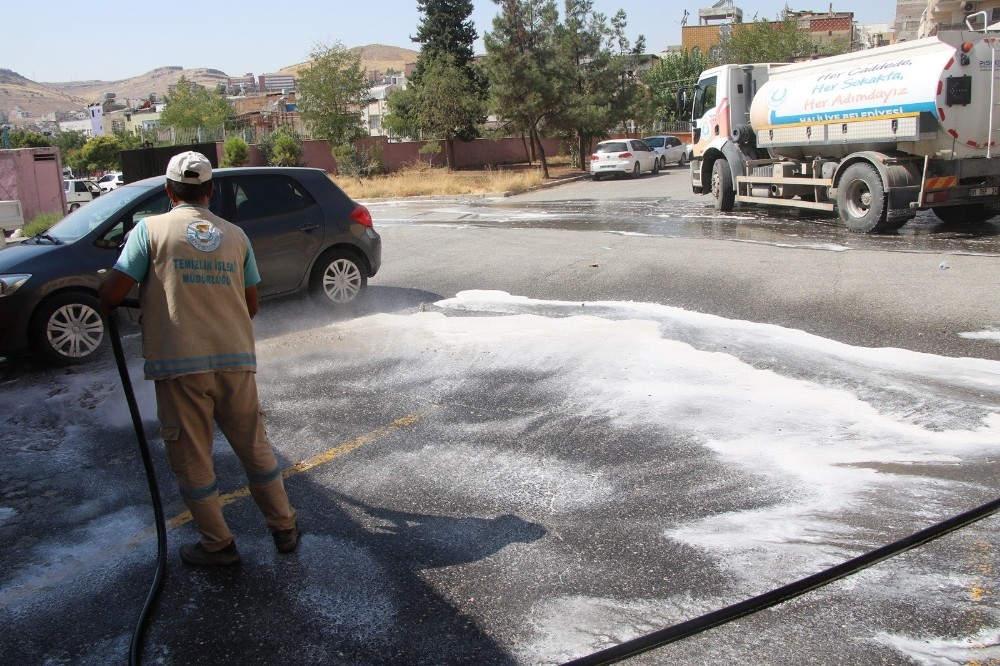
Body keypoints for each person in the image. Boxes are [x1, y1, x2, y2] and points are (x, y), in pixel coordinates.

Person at [100, 151, 299, 567]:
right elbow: (251, 306)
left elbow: (113, 294)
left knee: (192, 457)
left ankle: (218, 544)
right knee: (255, 448)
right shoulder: (235, 236)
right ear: (209, 191)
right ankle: (283, 526)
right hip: (236, 360)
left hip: (180, 364)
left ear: (169, 190)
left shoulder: (149, 231)